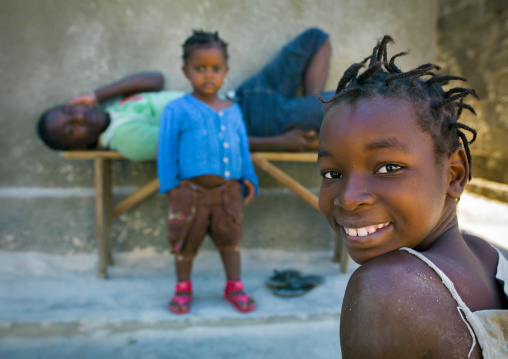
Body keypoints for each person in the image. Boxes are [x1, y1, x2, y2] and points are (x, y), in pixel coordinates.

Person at [317, 36, 508, 358]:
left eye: (388, 167)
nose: (348, 199)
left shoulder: (386, 288)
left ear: (454, 174)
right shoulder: (489, 256)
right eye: (332, 174)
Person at [36, 28, 333, 159]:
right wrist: (277, 142)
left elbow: (154, 79)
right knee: (347, 106)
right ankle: (309, 114)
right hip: (253, 122)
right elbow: (199, 142)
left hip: (244, 95)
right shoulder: (125, 136)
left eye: (68, 111)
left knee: (316, 39)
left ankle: (307, 110)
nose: (78, 119)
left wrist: (95, 95)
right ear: (79, 146)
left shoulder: (115, 109)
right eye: (70, 130)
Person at [157, 30, 258, 314]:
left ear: (225, 71)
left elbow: (242, 149)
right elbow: (166, 152)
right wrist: (170, 188)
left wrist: (249, 177)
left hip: (228, 193)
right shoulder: (177, 109)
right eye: (200, 69)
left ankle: (234, 286)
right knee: (185, 242)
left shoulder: (233, 110)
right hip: (189, 193)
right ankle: (182, 288)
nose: (208, 75)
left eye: (215, 68)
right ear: (186, 71)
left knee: (231, 241)